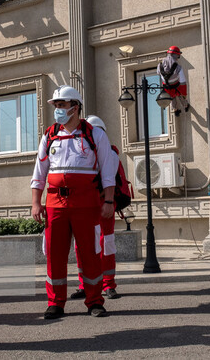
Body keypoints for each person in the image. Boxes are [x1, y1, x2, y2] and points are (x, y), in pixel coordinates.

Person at [31, 86, 117, 320]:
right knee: (54, 254)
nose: (57, 109)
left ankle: (95, 301)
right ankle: (55, 303)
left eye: (62, 105)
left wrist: (109, 201)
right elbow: (39, 171)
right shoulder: (49, 135)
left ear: (75, 107)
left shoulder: (95, 135)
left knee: (90, 254)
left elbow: (108, 172)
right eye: (56, 105)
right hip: (55, 203)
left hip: (86, 203)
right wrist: (36, 203)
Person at [70, 115, 121, 301]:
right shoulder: (83, 150)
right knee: (82, 245)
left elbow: (107, 178)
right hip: (85, 203)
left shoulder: (111, 154)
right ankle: (85, 284)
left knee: (106, 243)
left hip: (102, 203)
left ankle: (108, 284)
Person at [157, 46, 190, 117]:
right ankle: (186, 105)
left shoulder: (160, 65)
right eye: (178, 56)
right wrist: (184, 93)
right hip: (176, 85)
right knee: (180, 96)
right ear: (175, 55)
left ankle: (175, 110)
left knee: (172, 98)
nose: (178, 58)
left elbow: (159, 74)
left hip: (166, 86)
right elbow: (183, 81)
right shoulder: (178, 67)